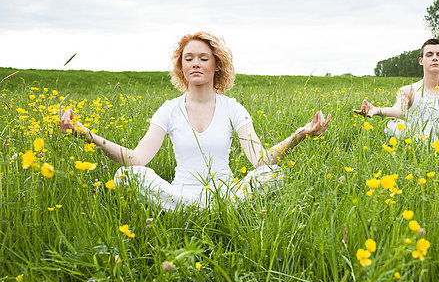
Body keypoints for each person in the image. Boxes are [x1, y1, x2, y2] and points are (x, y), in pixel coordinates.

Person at [59, 31, 331, 210]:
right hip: (178, 196)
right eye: (188, 59)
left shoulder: (234, 108)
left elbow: (260, 161)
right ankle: (189, 211)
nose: (196, 64)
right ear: (181, 67)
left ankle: (213, 211)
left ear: (217, 65)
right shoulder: (168, 110)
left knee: (271, 174)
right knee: (129, 175)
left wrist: (300, 134)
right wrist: (85, 134)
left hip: (227, 197)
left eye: (204, 58)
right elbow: (136, 159)